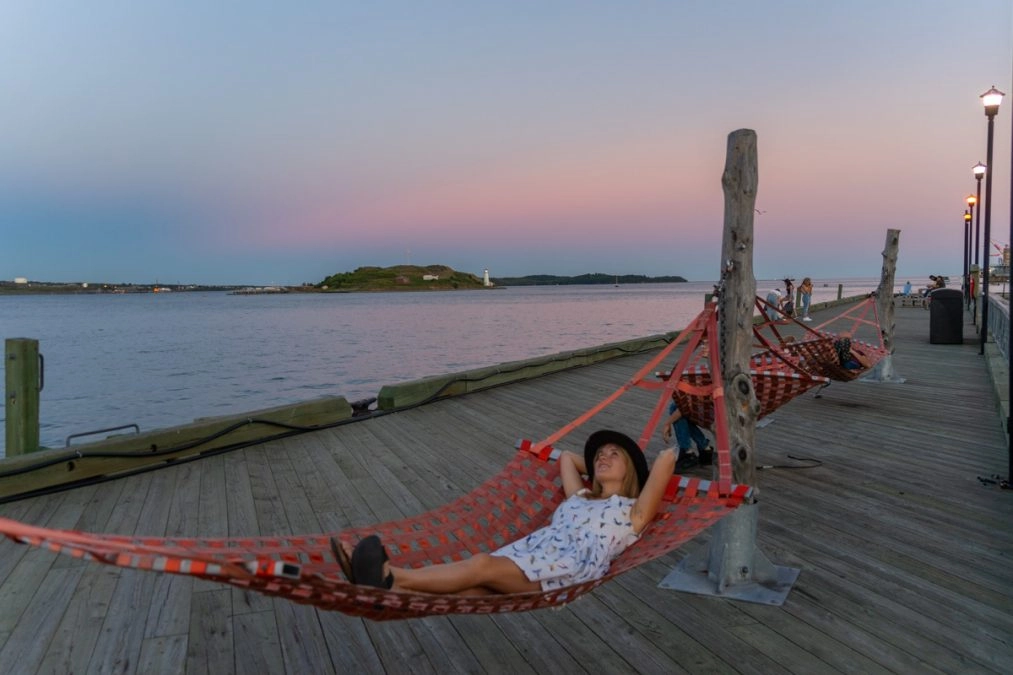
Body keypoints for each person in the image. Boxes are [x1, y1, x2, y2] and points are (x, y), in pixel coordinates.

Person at [333, 429, 676, 593]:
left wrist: (664, 454)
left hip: (564, 571)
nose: (603, 456)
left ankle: (389, 575)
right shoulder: (580, 497)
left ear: (631, 469)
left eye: (614, 454)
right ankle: (385, 592)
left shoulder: (630, 511)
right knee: (476, 594)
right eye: (599, 454)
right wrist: (597, 465)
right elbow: (568, 459)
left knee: (481, 565)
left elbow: (662, 464)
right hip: (533, 556)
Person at [661, 393, 713, 472]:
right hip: (721, 414)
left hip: (716, 420)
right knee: (684, 408)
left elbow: (683, 408)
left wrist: (667, 424)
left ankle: (687, 452)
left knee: (677, 407)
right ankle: (705, 449)